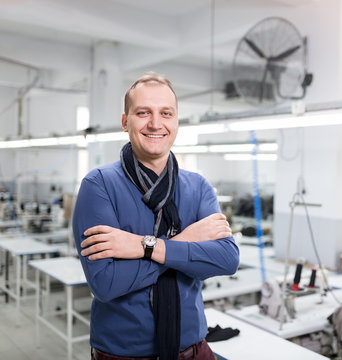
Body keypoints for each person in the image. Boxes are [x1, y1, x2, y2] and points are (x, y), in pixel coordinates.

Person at [72, 73, 239, 360]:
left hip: (193, 349)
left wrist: (145, 247)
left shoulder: (198, 187)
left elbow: (227, 258)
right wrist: (184, 243)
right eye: (143, 113)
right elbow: (106, 283)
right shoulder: (98, 185)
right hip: (123, 354)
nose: (155, 123)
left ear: (176, 123)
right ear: (125, 122)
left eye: (166, 113)